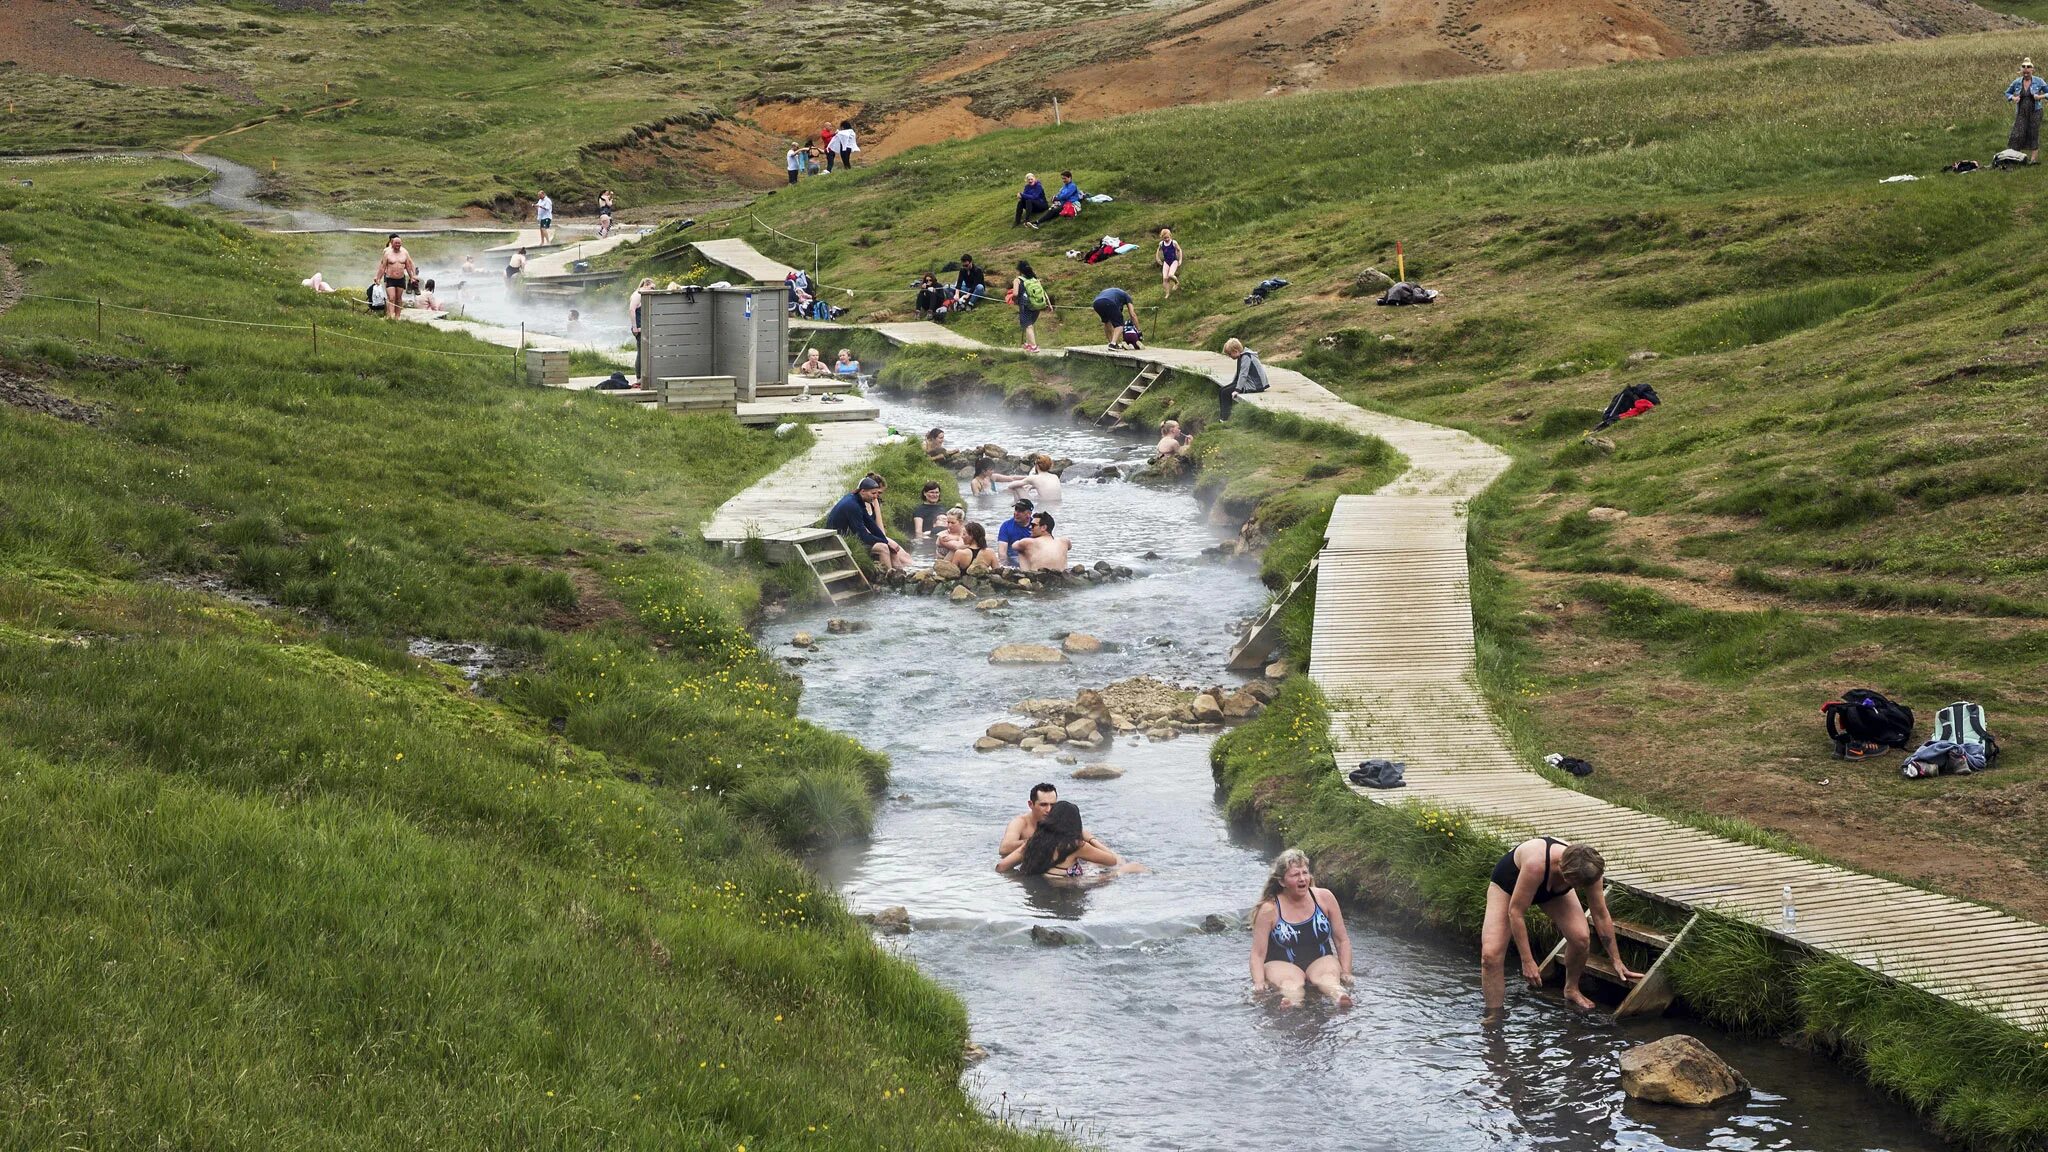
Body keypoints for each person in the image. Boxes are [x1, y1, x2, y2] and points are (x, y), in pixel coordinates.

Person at [1481, 837, 1642, 1018]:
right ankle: (1494, 1016)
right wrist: (1527, 961)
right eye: (1575, 885)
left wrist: (1616, 959)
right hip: (1508, 886)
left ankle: (1571, 989)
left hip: (1551, 892)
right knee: (1491, 956)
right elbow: (1516, 913)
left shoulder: (1592, 870)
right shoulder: (1537, 863)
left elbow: (1600, 913)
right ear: (1565, 872)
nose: (1578, 888)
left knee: (1581, 938)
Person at [1249, 849, 1354, 1009]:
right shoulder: (1269, 910)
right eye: (1295, 875)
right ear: (1282, 882)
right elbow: (1258, 954)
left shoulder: (1325, 898)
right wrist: (1259, 983)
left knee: (1328, 978)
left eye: (1305, 873)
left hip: (1320, 960)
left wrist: (1346, 971)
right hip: (1282, 964)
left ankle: (1339, 995)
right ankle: (1291, 1002)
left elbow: (1342, 940)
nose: (1302, 878)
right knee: (1290, 984)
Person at [997, 800, 1130, 876]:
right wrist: (1091, 839)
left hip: (1043, 892)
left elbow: (1001, 866)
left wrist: (1019, 881)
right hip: (1069, 890)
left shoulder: (1034, 841)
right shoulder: (1076, 845)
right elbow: (1112, 861)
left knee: (1092, 864)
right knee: (1129, 867)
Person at [824, 476, 912, 570]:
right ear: (862, 491)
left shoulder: (857, 499)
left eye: (877, 493)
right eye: (873, 493)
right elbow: (862, 535)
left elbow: (870, 524)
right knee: (883, 548)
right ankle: (888, 578)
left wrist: (886, 541)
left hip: (845, 537)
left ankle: (898, 575)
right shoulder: (853, 506)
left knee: (889, 547)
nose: (875, 497)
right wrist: (885, 543)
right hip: (837, 541)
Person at [1000, 784, 1111, 855]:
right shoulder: (1020, 823)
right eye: (1043, 805)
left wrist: (1092, 839)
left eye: (1053, 805)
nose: (1049, 810)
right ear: (1031, 804)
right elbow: (1004, 849)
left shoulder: (1062, 821)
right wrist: (1041, 839)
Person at [1218, 337, 1266, 421]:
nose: (1229, 356)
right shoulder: (1242, 356)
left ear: (1235, 351)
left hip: (1255, 385)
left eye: (1230, 354)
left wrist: (1237, 389)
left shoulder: (1246, 357)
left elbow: (1243, 374)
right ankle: (1222, 417)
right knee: (1222, 390)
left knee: (1226, 393)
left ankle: (1225, 419)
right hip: (1250, 382)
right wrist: (1233, 384)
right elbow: (1238, 374)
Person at [2009, 58, 2046, 164]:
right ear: (2021, 70)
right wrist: (2013, 98)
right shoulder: (2017, 82)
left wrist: (2040, 96)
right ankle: (2016, 158)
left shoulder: (2039, 81)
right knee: (2017, 133)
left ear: (2032, 70)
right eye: (2024, 68)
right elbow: (2007, 93)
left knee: (2033, 133)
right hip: (2021, 111)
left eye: (2028, 68)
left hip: (2035, 111)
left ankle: (2033, 160)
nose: (2026, 70)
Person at [991, 454, 1062, 504]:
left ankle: (1015, 505)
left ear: (1036, 466)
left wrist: (1026, 488)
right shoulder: (1055, 476)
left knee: (1017, 487)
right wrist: (1031, 487)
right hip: (1056, 503)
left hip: (1042, 503)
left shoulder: (1034, 478)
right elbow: (1045, 485)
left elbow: (1011, 485)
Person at [374, 235, 415, 320]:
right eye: (396, 243)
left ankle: (397, 316)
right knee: (392, 297)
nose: (397, 245)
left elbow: (408, 266)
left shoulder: (404, 253)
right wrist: (378, 277)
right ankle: (391, 316)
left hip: (400, 278)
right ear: (392, 243)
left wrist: (412, 277)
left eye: (399, 243)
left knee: (399, 298)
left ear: (401, 244)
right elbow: (382, 267)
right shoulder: (387, 253)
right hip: (390, 278)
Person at [1012, 260, 1046, 352]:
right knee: (1030, 324)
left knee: (1028, 326)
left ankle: (1034, 346)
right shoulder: (1034, 279)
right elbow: (1043, 292)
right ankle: (1029, 344)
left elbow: (1015, 294)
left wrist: (1014, 301)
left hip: (1025, 305)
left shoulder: (1018, 280)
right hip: (1037, 304)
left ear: (1019, 270)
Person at [994, 498, 1034, 565]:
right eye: (1016, 509)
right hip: (1012, 558)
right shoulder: (1006, 526)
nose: (1016, 513)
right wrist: (1005, 568)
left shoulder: (1036, 527)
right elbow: (1002, 553)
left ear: (1029, 514)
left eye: (1020, 511)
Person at [1157, 229, 1183, 297]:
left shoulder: (1173, 242)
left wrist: (1180, 260)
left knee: (1170, 275)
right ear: (1162, 237)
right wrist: (1158, 258)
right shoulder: (1161, 243)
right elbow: (1158, 251)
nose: (1167, 239)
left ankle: (1176, 282)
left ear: (1170, 236)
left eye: (1168, 237)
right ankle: (1167, 293)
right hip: (1166, 261)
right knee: (1165, 278)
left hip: (1174, 260)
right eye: (1165, 238)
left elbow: (1179, 250)